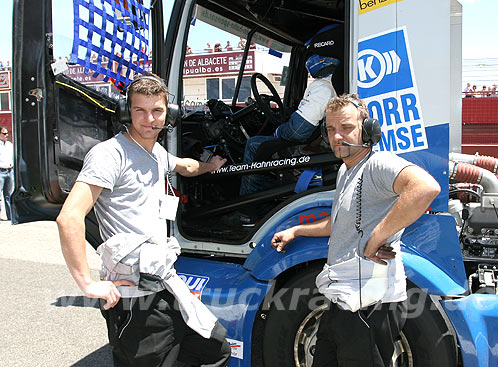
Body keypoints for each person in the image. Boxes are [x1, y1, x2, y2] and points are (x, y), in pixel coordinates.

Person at [56, 75, 230, 367]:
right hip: (134, 293)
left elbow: (184, 166)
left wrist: (210, 166)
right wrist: (87, 284)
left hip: (164, 280)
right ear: (127, 112)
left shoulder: (155, 152)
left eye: (157, 111)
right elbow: (69, 217)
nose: (150, 119)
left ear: (169, 113)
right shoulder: (109, 155)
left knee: (214, 350)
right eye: (140, 110)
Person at [270, 94, 441, 366]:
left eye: (347, 128)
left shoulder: (378, 163)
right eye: (330, 129)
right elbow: (340, 223)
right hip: (344, 299)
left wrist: (378, 236)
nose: (338, 137)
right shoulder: (346, 170)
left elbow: (425, 188)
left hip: (372, 305)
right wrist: (297, 231)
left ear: (368, 129)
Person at [239, 54, 339, 197]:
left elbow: (298, 131)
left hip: (305, 147)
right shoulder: (328, 87)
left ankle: (248, 208)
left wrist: (279, 132)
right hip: (311, 142)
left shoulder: (322, 87)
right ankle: (264, 192)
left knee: (253, 144)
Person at [0, 127, 14, 221]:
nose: (7, 135)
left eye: (7, 133)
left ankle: (10, 216)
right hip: (0, 171)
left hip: (10, 171)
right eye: (4, 134)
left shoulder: (10, 145)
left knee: (9, 194)